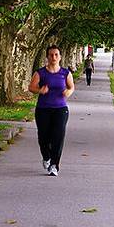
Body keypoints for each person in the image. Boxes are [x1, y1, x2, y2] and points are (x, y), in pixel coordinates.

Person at [28, 45, 75, 176]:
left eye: (56, 55)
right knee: (43, 137)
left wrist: (68, 92)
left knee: (58, 137)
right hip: (43, 109)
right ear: (47, 57)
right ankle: (46, 157)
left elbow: (71, 87)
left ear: (60, 57)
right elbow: (31, 87)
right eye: (51, 55)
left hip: (60, 109)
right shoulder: (40, 73)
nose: (53, 57)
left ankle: (54, 165)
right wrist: (40, 90)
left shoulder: (65, 73)